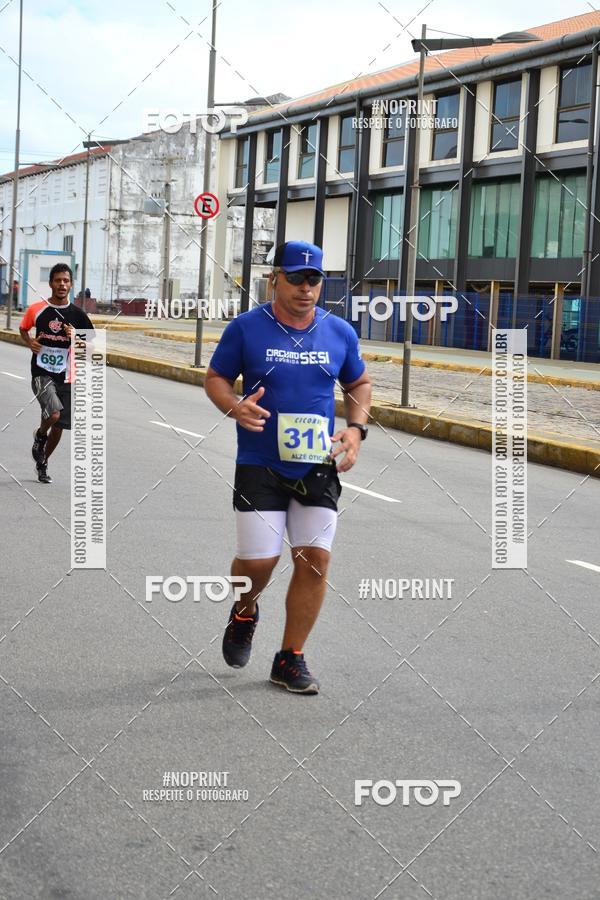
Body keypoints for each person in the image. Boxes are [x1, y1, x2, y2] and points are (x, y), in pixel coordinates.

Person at [205, 240, 372, 694]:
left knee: (315, 559)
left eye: (313, 279)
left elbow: (359, 382)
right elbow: (216, 378)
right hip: (259, 461)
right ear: (275, 279)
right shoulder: (246, 328)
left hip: (316, 464)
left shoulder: (338, 332)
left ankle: (289, 658)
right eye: (295, 278)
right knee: (259, 561)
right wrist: (233, 405)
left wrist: (356, 430)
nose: (305, 287)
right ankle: (245, 610)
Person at [19, 263, 94, 484]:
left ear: (71, 285)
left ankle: (43, 463)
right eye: (58, 280)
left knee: (60, 426)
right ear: (51, 283)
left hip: (67, 376)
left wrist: (76, 338)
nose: (62, 284)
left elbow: (94, 349)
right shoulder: (37, 309)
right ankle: (40, 435)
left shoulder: (78, 316)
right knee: (53, 415)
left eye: (66, 281)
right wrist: (30, 342)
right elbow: (23, 328)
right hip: (41, 373)